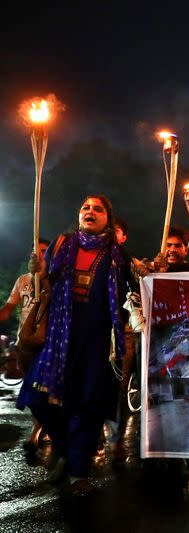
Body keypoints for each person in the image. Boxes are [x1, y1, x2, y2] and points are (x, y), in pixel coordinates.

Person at [17, 195, 133, 496]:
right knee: (37, 397)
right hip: (60, 336)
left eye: (97, 209)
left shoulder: (118, 256)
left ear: (108, 218)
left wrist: (150, 270)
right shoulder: (62, 245)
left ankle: (79, 472)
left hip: (96, 340)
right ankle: (66, 448)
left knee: (89, 405)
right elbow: (48, 283)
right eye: (85, 207)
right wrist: (39, 270)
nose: (90, 211)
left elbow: (133, 289)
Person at [1, 239, 49, 454]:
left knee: (42, 389)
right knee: (31, 390)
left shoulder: (55, 282)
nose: (39, 256)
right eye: (35, 252)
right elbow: (9, 307)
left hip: (48, 344)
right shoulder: (22, 281)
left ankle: (36, 434)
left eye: (44, 252)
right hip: (25, 344)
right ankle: (42, 426)